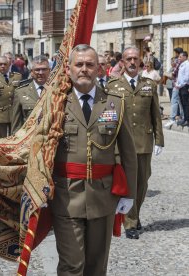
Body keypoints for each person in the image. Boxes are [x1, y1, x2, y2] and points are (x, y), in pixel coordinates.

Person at [51, 44, 137, 275]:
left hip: (103, 196)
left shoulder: (115, 102)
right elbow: (40, 150)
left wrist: (129, 194)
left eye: (90, 65)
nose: (84, 69)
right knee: (72, 264)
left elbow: (129, 154)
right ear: (68, 69)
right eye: (79, 64)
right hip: (65, 196)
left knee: (97, 265)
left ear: (99, 69)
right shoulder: (56, 104)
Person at [107, 46, 164, 239]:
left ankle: (135, 214)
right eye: (128, 59)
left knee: (142, 183)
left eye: (135, 59)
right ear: (122, 62)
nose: (132, 62)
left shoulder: (149, 85)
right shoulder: (112, 85)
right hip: (121, 143)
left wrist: (159, 140)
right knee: (129, 183)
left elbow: (155, 114)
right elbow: (108, 115)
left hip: (143, 141)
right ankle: (130, 222)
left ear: (140, 62)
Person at [11, 55, 50, 134]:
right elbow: (16, 125)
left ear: (50, 71)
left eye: (44, 69)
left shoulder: (57, 90)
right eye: (37, 70)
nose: (41, 73)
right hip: (29, 140)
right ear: (31, 72)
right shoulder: (20, 92)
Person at [0, 56, 21, 138]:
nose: (3, 66)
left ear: (9, 64)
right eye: (0, 64)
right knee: (1, 139)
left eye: (5, 64)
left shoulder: (17, 77)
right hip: (0, 114)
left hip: (15, 113)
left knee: (15, 137)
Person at [175, 51, 189, 127]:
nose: (179, 58)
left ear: (185, 57)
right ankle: (185, 118)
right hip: (181, 86)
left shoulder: (187, 65)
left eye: (180, 57)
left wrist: (180, 85)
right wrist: (177, 84)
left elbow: (186, 77)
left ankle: (187, 120)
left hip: (184, 86)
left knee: (186, 104)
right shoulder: (181, 65)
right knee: (182, 104)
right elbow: (180, 77)